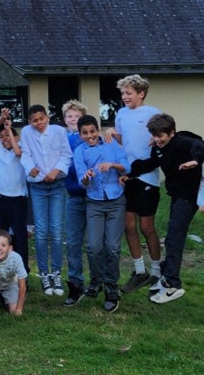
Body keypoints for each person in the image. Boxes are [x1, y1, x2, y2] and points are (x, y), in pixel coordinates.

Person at [129, 113, 204, 304]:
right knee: (172, 237)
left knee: (174, 238)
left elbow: (200, 145)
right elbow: (152, 163)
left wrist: (196, 160)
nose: (157, 140)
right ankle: (167, 273)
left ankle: (172, 285)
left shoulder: (183, 142)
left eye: (160, 136)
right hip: (178, 195)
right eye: (154, 136)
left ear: (172, 133)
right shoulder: (159, 148)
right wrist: (128, 172)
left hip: (190, 196)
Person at [104, 74, 163, 295]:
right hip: (126, 175)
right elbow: (123, 141)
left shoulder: (153, 113)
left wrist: (156, 138)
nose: (124, 96)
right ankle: (139, 270)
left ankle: (157, 272)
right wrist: (112, 132)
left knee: (146, 227)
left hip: (146, 176)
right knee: (129, 226)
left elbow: (165, 133)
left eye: (129, 93)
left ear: (141, 93)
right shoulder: (121, 114)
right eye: (122, 93)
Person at [73, 114, 129, 312]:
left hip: (116, 200)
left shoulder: (110, 143)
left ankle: (111, 287)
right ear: (79, 134)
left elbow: (126, 166)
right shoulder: (79, 152)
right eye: (85, 133)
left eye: (92, 131)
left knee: (112, 247)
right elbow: (82, 180)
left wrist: (112, 165)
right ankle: (96, 281)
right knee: (93, 246)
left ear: (98, 130)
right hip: (94, 202)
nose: (90, 136)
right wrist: (87, 177)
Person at [20, 104, 72, 297]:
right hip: (38, 186)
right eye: (35, 120)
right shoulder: (26, 132)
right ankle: (43, 274)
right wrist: (30, 167)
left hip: (57, 185)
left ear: (47, 117)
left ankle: (56, 272)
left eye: (41, 119)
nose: (39, 123)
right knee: (41, 231)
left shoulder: (59, 131)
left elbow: (67, 155)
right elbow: (25, 154)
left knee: (57, 231)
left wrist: (55, 171)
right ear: (29, 121)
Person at [0, 109, 28, 272]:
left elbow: (17, 152)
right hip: (0, 198)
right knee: (0, 235)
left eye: (8, 136)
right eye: (2, 136)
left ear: (16, 136)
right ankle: (1, 269)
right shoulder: (0, 151)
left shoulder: (23, 149)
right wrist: (3, 119)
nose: (4, 139)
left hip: (17, 199)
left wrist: (9, 129)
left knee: (19, 236)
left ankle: (22, 270)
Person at [60, 100, 90, 305]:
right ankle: (75, 284)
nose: (73, 119)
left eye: (77, 116)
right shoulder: (60, 138)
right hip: (72, 195)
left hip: (93, 196)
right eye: (69, 116)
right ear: (64, 119)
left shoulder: (88, 138)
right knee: (72, 242)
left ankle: (100, 282)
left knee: (95, 243)